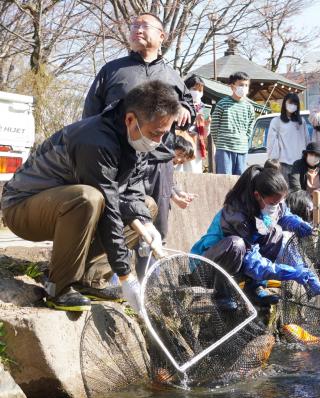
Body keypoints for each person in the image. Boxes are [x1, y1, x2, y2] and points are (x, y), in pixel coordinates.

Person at [0, 80, 180, 312]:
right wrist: (126, 276)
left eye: (164, 134)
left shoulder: (135, 141)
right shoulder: (95, 141)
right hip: (23, 208)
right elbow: (109, 210)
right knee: (89, 198)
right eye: (155, 134)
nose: (159, 141)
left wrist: (145, 222)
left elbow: (132, 192)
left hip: (70, 207)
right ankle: (60, 287)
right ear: (130, 119)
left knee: (147, 205)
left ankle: (90, 278)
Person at [82, 12, 196, 246]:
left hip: (158, 162)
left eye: (144, 26)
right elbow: (90, 117)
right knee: (115, 220)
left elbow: (190, 109)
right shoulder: (112, 71)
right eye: (134, 25)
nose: (137, 29)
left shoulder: (172, 75)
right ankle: (111, 275)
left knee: (157, 226)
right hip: (117, 161)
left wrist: (185, 109)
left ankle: (148, 277)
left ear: (161, 35)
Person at [190, 166, 320, 310]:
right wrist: (288, 273)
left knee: (276, 234)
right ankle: (221, 294)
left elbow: (283, 214)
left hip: (238, 266)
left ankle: (253, 288)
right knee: (236, 245)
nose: (276, 206)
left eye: (280, 202)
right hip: (206, 269)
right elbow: (252, 262)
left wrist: (298, 224)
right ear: (257, 195)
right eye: (273, 203)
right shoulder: (236, 214)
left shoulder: (271, 203)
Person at [210, 71, 255, 175]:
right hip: (224, 148)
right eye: (241, 85)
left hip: (242, 149)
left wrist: (243, 140)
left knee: (240, 182)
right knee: (223, 181)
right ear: (232, 86)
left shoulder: (249, 107)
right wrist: (220, 142)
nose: (244, 87)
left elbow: (250, 129)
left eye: (246, 85)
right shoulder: (222, 104)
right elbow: (214, 126)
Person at [289, 142, 320, 225]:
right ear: (306, 154)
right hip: (303, 197)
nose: (314, 157)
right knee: (296, 200)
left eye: (317, 155)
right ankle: (302, 224)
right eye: (311, 154)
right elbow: (295, 186)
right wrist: (307, 197)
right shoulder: (298, 164)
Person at [267, 93, 310, 183]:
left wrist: (308, 159)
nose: (293, 105)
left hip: (300, 163)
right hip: (283, 164)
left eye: (295, 104)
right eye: (290, 102)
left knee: (299, 192)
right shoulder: (276, 121)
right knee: (285, 192)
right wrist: (273, 160)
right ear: (284, 103)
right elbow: (271, 142)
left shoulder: (301, 121)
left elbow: (307, 140)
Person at [183, 74, 210, 173]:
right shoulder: (181, 104)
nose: (197, 93)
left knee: (195, 171)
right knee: (181, 170)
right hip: (182, 143)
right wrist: (194, 119)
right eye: (194, 89)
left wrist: (206, 124)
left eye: (200, 90)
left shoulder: (204, 107)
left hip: (197, 144)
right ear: (187, 89)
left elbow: (205, 134)